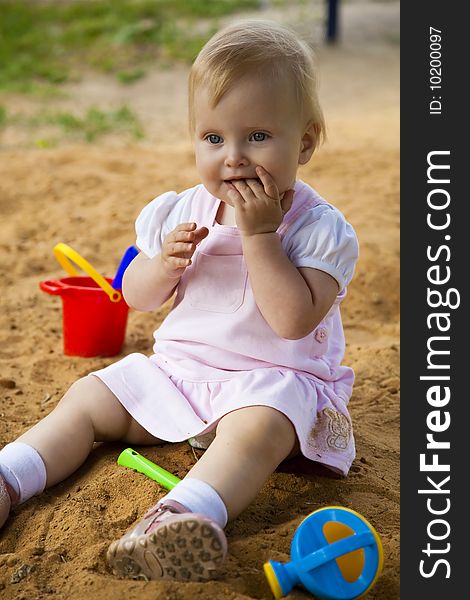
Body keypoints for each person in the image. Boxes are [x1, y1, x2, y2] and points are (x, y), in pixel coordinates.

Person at [0, 20, 359, 582]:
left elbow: (292, 321)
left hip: (269, 384)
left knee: (257, 428)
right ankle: (11, 476)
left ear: (306, 141)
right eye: (213, 139)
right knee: (90, 394)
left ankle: (180, 517)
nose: (233, 157)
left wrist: (259, 237)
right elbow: (137, 298)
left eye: (258, 136)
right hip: (181, 375)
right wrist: (162, 264)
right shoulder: (180, 211)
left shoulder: (317, 229)